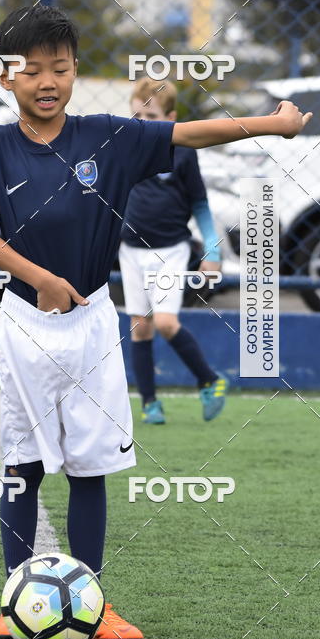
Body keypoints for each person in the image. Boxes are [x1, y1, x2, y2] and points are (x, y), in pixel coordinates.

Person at [0, 4, 311, 639]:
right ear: (5, 76)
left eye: (60, 68)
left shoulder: (108, 137)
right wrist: (39, 278)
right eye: (31, 70)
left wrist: (274, 124)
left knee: (91, 465)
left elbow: (191, 134)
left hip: (94, 325)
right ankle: (15, 603)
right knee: (22, 464)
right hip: (24, 325)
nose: (48, 82)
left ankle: (90, 603)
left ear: (75, 71)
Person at [119, 77, 227, 424]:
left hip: (170, 251)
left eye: (151, 116)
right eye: (137, 116)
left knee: (165, 322)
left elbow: (201, 205)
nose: (142, 124)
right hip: (130, 250)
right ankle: (150, 403)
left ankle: (209, 380)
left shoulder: (183, 152)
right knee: (140, 326)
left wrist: (213, 253)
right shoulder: (123, 148)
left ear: (171, 118)